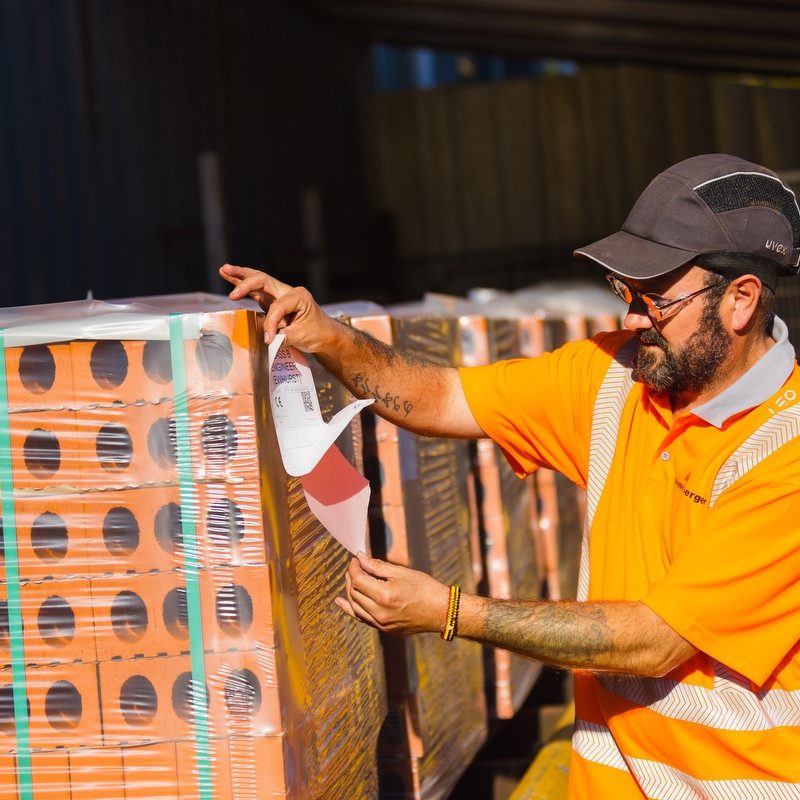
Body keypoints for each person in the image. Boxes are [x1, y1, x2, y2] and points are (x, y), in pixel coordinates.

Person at [221, 153, 800, 798]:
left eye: (655, 300)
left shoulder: (786, 459)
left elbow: (652, 641)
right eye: (626, 294)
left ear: (741, 300)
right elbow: (438, 397)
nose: (633, 319)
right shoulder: (614, 376)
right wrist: (324, 335)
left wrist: (449, 613)